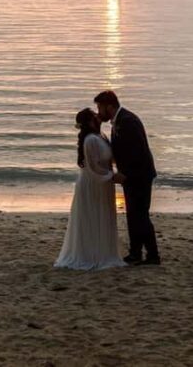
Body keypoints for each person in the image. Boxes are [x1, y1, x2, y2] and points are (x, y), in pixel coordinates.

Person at [54, 108, 126, 270]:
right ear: (89, 121)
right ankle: (91, 254)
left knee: (102, 215)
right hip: (93, 183)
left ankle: (102, 252)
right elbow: (93, 167)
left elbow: (109, 160)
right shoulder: (90, 140)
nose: (98, 116)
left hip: (103, 183)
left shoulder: (101, 137)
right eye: (94, 115)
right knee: (93, 217)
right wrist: (112, 176)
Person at [95, 90, 160, 266]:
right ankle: (135, 252)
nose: (99, 112)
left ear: (109, 106)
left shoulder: (127, 121)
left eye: (100, 108)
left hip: (139, 175)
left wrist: (126, 175)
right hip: (131, 176)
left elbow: (137, 153)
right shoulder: (119, 121)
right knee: (133, 214)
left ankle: (152, 255)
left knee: (140, 215)